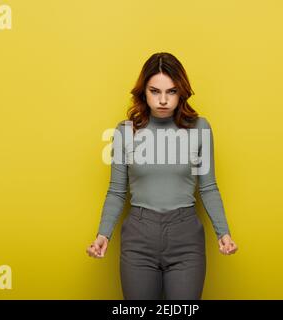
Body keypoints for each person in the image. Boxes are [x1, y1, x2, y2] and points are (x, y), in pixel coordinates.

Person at [86, 52, 238, 299]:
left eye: (172, 92)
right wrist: (103, 234)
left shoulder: (200, 128)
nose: (164, 100)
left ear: (182, 92)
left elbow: (208, 187)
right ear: (143, 92)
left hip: (186, 237)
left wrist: (224, 233)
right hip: (138, 238)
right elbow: (116, 191)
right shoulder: (125, 132)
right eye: (155, 91)